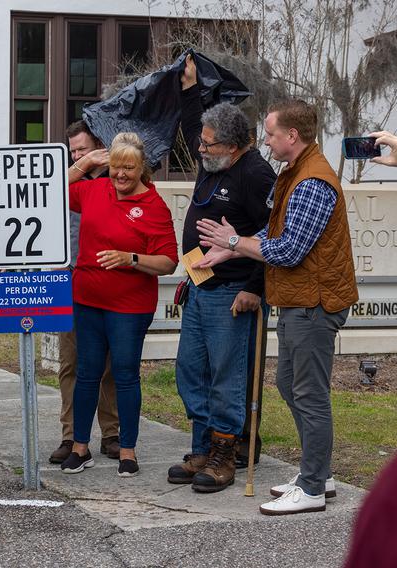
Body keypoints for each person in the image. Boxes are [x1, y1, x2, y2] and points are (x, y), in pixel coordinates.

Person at [195, 99, 358, 515]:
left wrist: (233, 242)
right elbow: (273, 231)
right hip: (296, 301)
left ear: (292, 136)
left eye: (269, 134)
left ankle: (313, 487)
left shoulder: (313, 182)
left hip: (315, 304)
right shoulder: (295, 173)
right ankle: (315, 472)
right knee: (290, 387)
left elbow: (288, 250)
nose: (264, 141)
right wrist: (231, 252)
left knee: (309, 394)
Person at [167, 56, 276, 493]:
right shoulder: (212, 160)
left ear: (235, 145)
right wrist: (191, 86)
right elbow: (196, 126)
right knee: (190, 371)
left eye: (210, 145)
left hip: (233, 293)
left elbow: (273, 236)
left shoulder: (255, 174)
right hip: (200, 285)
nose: (201, 148)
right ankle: (203, 445)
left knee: (227, 377)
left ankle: (224, 455)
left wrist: (254, 288)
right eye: (203, 144)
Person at [61, 132, 179, 478]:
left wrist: (131, 258)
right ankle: (80, 448)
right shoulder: (95, 189)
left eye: (128, 168)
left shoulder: (154, 207)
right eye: (115, 167)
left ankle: (127, 450)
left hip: (129, 306)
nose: (121, 175)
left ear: (142, 168)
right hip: (87, 298)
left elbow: (168, 261)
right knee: (87, 373)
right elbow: (48, 189)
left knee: (125, 375)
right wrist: (84, 163)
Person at [49, 120, 121, 465]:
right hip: (70, 278)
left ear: (100, 147)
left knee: (111, 362)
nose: (78, 155)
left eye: (83, 149)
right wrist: (80, 166)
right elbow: (45, 191)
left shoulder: (118, 180)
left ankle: (113, 434)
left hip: (109, 278)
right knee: (71, 362)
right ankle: (71, 436)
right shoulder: (65, 181)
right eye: (73, 150)